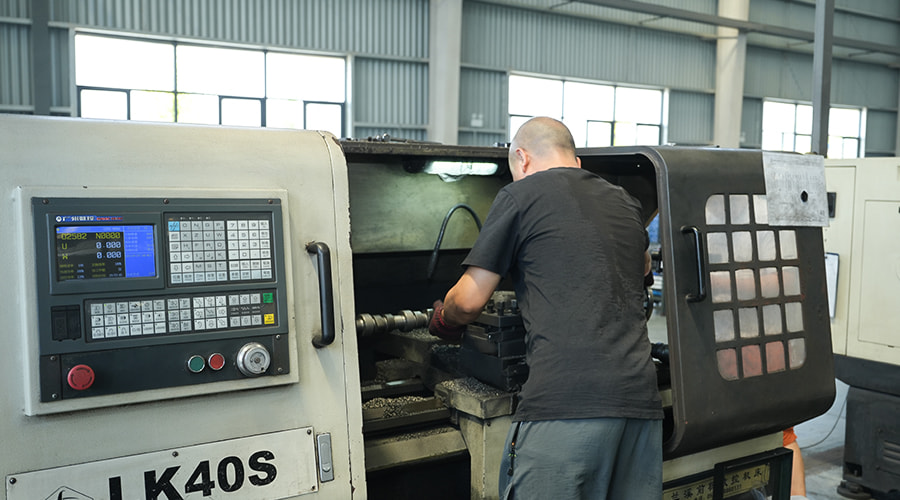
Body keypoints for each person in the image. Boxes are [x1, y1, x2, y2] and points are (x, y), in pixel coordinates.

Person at [429, 117, 663, 499]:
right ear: (576, 161)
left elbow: (469, 302)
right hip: (640, 405)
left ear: (522, 158)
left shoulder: (521, 195)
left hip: (566, 403)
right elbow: (641, 269)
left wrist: (444, 317)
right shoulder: (625, 201)